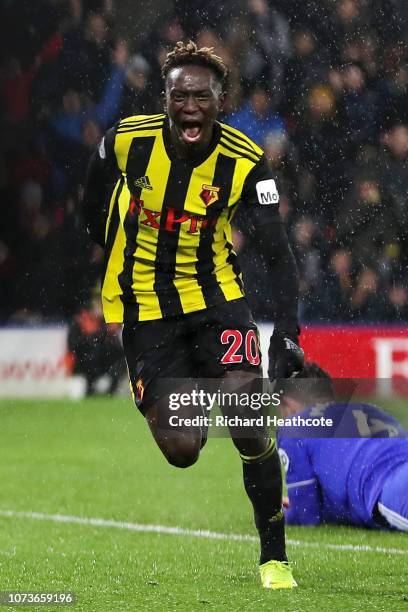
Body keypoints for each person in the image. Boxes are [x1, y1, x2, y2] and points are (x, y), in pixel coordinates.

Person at [83, 40, 303, 589]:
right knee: (182, 449)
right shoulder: (127, 143)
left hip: (215, 300)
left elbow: (278, 253)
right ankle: (201, 393)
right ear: (164, 98)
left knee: (249, 417)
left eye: (201, 96)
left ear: (219, 100)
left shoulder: (246, 160)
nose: (189, 106)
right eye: (179, 95)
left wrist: (289, 333)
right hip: (145, 309)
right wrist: (104, 239)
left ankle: (274, 558)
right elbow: (93, 190)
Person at [277, 363, 408, 530]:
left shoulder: (294, 426)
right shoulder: (370, 409)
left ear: (288, 404)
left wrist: (277, 511)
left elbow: (306, 515)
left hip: (391, 488)